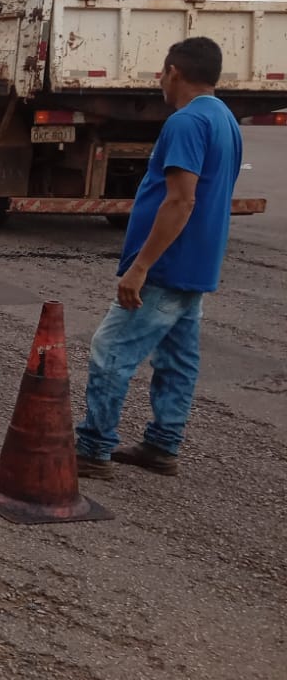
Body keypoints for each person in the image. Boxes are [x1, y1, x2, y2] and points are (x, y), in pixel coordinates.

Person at [76, 37, 240, 479]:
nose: (160, 81)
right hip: (197, 264)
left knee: (110, 350)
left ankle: (92, 448)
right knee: (177, 357)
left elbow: (181, 201)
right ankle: (162, 444)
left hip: (168, 264)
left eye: (162, 73)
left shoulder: (186, 123)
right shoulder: (224, 118)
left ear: (174, 72)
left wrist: (142, 264)